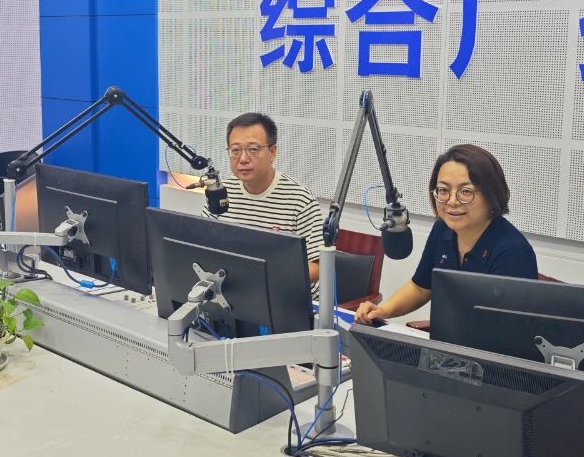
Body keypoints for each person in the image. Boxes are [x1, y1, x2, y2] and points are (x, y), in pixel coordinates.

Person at [354, 143, 537, 325]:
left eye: (466, 192)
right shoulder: (443, 228)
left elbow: (510, 328)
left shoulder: (513, 252)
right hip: (448, 339)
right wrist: (383, 310)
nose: (452, 201)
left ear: (492, 195)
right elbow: (420, 288)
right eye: (443, 190)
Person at [204, 112, 325, 296]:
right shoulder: (221, 192)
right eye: (235, 150)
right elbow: (202, 246)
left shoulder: (299, 199)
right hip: (236, 293)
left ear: (272, 152)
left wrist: (265, 279)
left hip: (287, 297)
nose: (243, 159)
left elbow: (318, 266)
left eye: (253, 149)